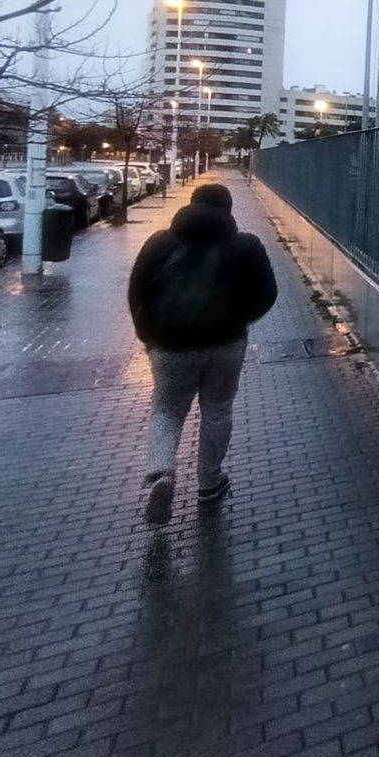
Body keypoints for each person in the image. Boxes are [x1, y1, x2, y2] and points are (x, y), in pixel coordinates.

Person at [127, 182, 278, 524]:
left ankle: (161, 473)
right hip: (226, 346)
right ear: (228, 209)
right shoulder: (246, 245)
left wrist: (148, 335)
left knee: (166, 410)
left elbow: (136, 292)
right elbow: (268, 293)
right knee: (218, 411)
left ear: (192, 205)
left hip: (169, 348)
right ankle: (210, 482)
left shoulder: (160, 243)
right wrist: (239, 319)